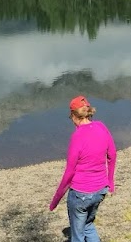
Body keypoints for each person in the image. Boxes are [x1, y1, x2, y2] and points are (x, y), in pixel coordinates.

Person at [49, 95, 117, 242]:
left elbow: (69, 173)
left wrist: (55, 200)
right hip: (100, 190)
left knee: (77, 236)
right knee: (88, 225)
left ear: (74, 115)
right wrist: (110, 182)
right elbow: (112, 155)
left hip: (81, 194)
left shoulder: (77, 136)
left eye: (71, 116)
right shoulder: (101, 127)